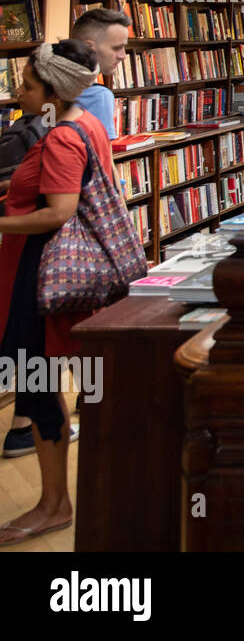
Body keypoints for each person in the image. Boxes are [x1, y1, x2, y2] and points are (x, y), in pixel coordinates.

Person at [0, 40, 113, 544]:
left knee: (38, 385)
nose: (19, 92)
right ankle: (55, 500)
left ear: (52, 91)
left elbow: (60, 211)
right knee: (41, 383)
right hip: (45, 276)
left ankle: (53, 505)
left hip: (40, 280)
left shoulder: (64, 136)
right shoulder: (85, 123)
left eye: (26, 85)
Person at [69, 7, 131, 139]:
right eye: (117, 48)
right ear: (89, 47)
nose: (123, 55)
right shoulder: (98, 96)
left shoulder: (45, 84)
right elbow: (102, 158)